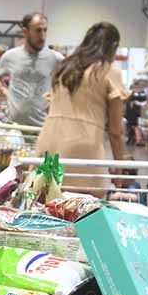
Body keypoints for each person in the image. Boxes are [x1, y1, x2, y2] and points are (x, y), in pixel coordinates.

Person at [35, 21, 131, 197]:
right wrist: (120, 167)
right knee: (83, 212)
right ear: (114, 46)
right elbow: (116, 131)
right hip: (83, 148)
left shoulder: (64, 68)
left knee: (46, 208)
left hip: (48, 144)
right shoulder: (108, 71)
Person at [0, 12, 63, 127]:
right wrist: (5, 91)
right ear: (25, 32)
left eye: (45, 30)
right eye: (38, 31)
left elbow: (75, 81)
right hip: (14, 127)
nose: (43, 36)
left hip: (42, 128)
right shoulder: (10, 56)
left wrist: (57, 96)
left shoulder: (55, 58)